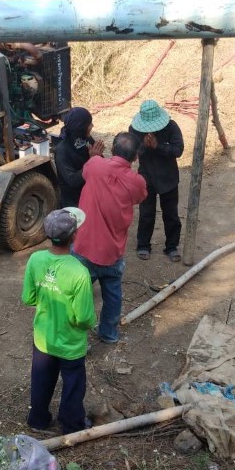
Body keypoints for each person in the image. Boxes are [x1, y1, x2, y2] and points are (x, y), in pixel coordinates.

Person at [21, 207, 96, 432]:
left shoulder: (35, 259)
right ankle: (72, 425)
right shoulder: (79, 272)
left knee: (41, 380)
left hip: (43, 338)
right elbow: (84, 317)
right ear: (74, 236)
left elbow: (28, 298)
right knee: (73, 384)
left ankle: (38, 420)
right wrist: (85, 324)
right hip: (70, 343)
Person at [72, 132, 147, 344]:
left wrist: (94, 156)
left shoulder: (95, 165)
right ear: (136, 157)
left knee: (77, 294)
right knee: (113, 295)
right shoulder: (137, 181)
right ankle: (108, 333)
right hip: (112, 250)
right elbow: (140, 197)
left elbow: (87, 172)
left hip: (84, 247)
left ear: (112, 149)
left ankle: (76, 339)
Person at [129, 100, 185, 262]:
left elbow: (178, 150)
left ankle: (171, 246)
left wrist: (158, 146)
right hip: (146, 177)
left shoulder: (171, 127)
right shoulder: (134, 129)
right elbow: (132, 153)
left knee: (171, 214)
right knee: (146, 213)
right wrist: (145, 146)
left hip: (168, 177)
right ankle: (143, 245)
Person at [55, 107, 105, 208]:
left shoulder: (85, 138)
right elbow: (72, 181)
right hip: (73, 203)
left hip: (90, 194)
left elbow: (99, 161)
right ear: (81, 128)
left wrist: (98, 157)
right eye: (89, 124)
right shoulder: (62, 151)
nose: (92, 126)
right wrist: (92, 161)